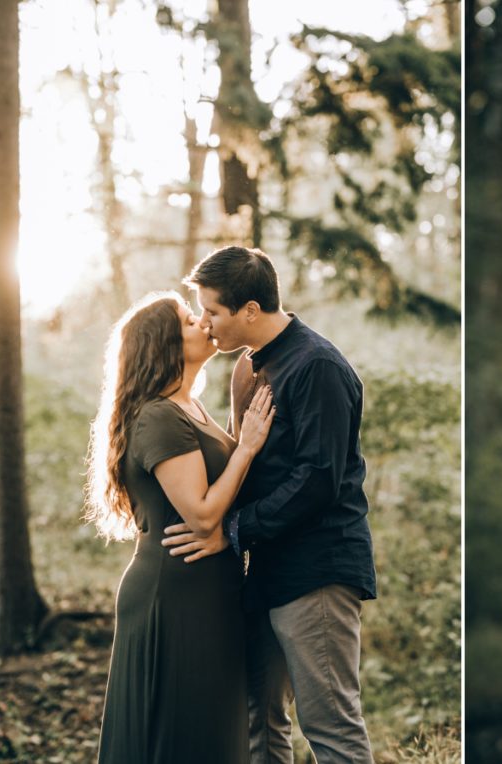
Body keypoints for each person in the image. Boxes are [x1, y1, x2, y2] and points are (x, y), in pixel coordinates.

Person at [161, 246, 377, 764]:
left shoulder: (317, 367)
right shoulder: (247, 368)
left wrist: (232, 530)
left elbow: (318, 480)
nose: (205, 322)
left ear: (250, 311)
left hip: (317, 571)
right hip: (264, 570)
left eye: (212, 311)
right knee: (260, 724)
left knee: (331, 729)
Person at [86, 291, 275, 764]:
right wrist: (247, 447)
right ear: (166, 345)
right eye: (191, 320)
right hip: (173, 594)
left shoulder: (192, 407)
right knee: (179, 734)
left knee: (210, 733)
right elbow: (203, 513)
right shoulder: (158, 416)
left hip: (208, 591)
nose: (205, 323)